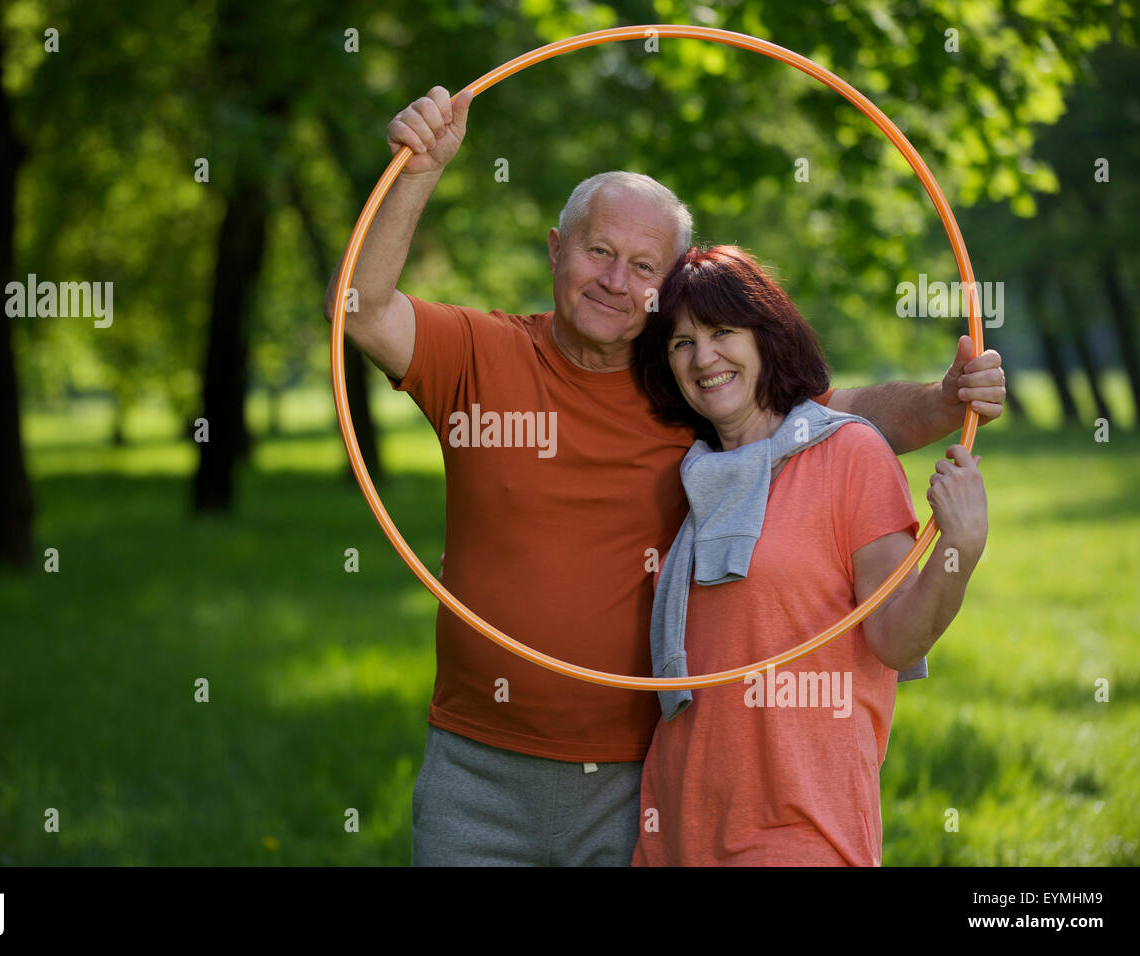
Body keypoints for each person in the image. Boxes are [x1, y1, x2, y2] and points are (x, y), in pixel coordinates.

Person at [323, 86, 1006, 866]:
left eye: (643, 265)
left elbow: (843, 417)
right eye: (598, 251)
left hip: (633, 777)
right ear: (555, 248)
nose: (616, 280)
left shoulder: (692, 388)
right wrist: (417, 171)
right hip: (475, 765)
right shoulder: (480, 355)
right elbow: (359, 308)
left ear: (665, 284)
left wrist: (945, 397)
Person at [630, 246, 988, 866]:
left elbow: (898, 639)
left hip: (802, 827)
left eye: (722, 332)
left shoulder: (848, 455)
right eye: (681, 343)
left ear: (767, 336)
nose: (703, 356)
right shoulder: (693, 473)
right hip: (676, 827)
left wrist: (958, 549)